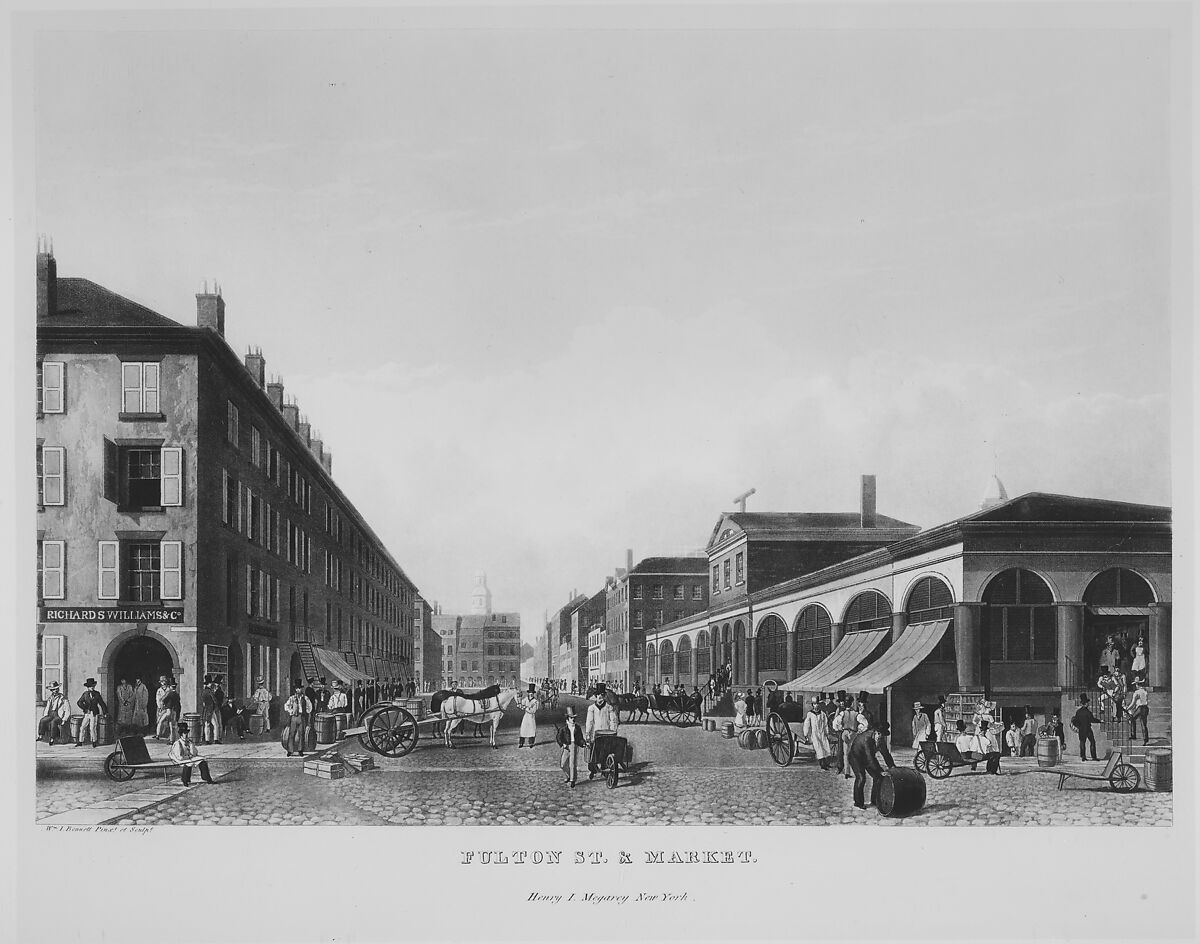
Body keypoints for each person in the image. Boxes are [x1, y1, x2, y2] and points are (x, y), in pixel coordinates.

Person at [848, 721, 895, 810]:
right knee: (861, 778)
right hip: (855, 758)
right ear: (876, 732)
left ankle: (875, 800)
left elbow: (886, 754)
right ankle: (858, 803)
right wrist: (880, 771)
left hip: (866, 758)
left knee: (878, 777)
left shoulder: (880, 740)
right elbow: (870, 758)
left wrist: (892, 766)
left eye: (883, 735)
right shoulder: (867, 739)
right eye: (879, 734)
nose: (881, 737)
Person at [584, 685, 621, 779]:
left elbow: (613, 720)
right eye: (598, 696)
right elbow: (589, 722)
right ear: (595, 696)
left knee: (606, 751)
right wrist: (588, 733)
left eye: (602, 695)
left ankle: (605, 768)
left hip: (607, 733)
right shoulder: (591, 708)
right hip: (595, 735)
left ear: (604, 696)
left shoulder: (609, 707)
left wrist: (613, 731)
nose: (600, 697)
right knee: (593, 753)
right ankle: (593, 770)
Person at [73, 678, 108, 748]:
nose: (92, 687)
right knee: (82, 727)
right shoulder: (85, 694)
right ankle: (80, 741)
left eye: (93, 686)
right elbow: (79, 702)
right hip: (87, 713)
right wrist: (85, 709)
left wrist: (105, 712)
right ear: (88, 687)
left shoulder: (97, 694)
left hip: (94, 713)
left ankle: (94, 741)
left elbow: (102, 703)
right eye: (90, 686)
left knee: (92, 728)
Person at [556, 706, 587, 787]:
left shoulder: (577, 727)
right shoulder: (563, 729)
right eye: (571, 718)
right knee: (563, 764)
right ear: (567, 719)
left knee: (572, 764)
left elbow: (580, 738)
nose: (573, 719)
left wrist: (583, 743)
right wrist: (563, 744)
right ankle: (568, 775)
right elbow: (559, 738)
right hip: (566, 746)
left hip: (574, 745)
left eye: (574, 718)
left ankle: (572, 780)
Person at [803, 697, 833, 771]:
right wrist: (806, 734)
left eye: (817, 704)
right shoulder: (810, 714)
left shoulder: (822, 714)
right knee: (819, 748)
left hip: (822, 733)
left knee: (826, 747)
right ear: (813, 705)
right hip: (815, 733)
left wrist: (827, 733)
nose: (816, 706)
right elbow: (807, 724)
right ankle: (822, 765)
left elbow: (825, 724)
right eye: (814, 704)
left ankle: (827, 764)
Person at [38, 680, 71, 745]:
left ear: (58, 689)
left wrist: (64, 719)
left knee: (54, 722)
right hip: (51, 714)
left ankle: (52, 739)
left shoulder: (63, 698)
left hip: (58, 715)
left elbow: (68, 710)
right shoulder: (50, 698)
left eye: (56, 689)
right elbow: (47, 707)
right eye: (53, 690)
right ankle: (41, 735)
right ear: (51, 691)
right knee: (42, 720)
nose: (55, 691)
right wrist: (45, 715)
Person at [283, 682, 312, 757]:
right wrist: (291, 711)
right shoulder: (292, 698)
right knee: (291, 734)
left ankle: (300, 750)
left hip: (301, 717)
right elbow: (286, 706)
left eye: (300, 688)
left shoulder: (305, 698)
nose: (298, 690)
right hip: (294, 717)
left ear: (302, 689)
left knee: (301, 734)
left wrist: (306, 712)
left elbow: (310, 707)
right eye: (297, 688)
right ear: (295, 689)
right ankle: (290, 750)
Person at [1071, 695, 1100, 761]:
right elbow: (1092, 720)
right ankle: (1094, 757)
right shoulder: (1088, 712)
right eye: (1087, 703)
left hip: (1081, 730)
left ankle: (1083, 757)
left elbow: (1076, 720)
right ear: (1086, 703)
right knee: (1092, 742)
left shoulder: (1078, 712)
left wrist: (1079, 726)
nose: (1088, 704)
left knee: (1082, 742)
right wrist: (1100, 721)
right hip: (1088, 729)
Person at [1126, 676, 1150, 745]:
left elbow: (1133, 703)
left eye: (1136, 684)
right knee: (1143, 724)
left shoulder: (1137, 692)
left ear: (1137, 685)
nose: (1135, 686)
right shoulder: (1145, 691)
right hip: (1145, 708)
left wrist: (1127, 708)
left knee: (1132, 718)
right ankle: (1145, 739)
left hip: (1140, 708)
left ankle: (1133, 735)